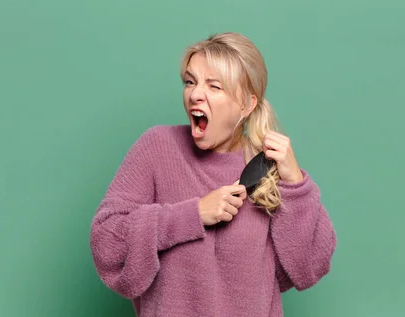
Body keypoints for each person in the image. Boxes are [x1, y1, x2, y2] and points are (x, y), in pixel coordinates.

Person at [90, 32, 337, 317]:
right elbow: (107, 243)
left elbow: (309, 267)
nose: (195, 94)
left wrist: (296, 184)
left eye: (214, 86)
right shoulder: (157, 148)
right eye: (190, 81)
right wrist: (193, 214)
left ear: (247, 104)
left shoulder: (266, 169)